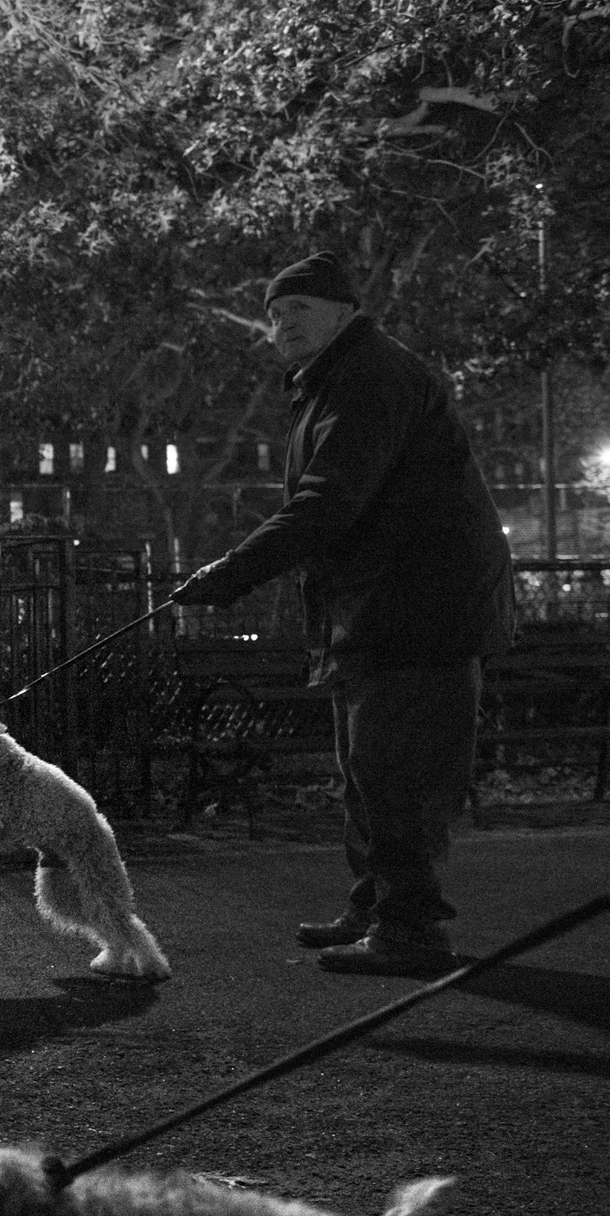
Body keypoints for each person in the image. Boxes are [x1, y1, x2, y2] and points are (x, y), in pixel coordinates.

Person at [172, 251, 513, 976]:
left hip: (417, 608)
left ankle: (411, 929)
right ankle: (377, 908)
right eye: (273, 315)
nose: (282, 324)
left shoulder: (370, 377)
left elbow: (327, 502)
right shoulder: (333, 382)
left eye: (298, 308)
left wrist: (232, 573)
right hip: (379, 608)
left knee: (394, 774)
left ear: (343, 311)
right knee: (366, 772)